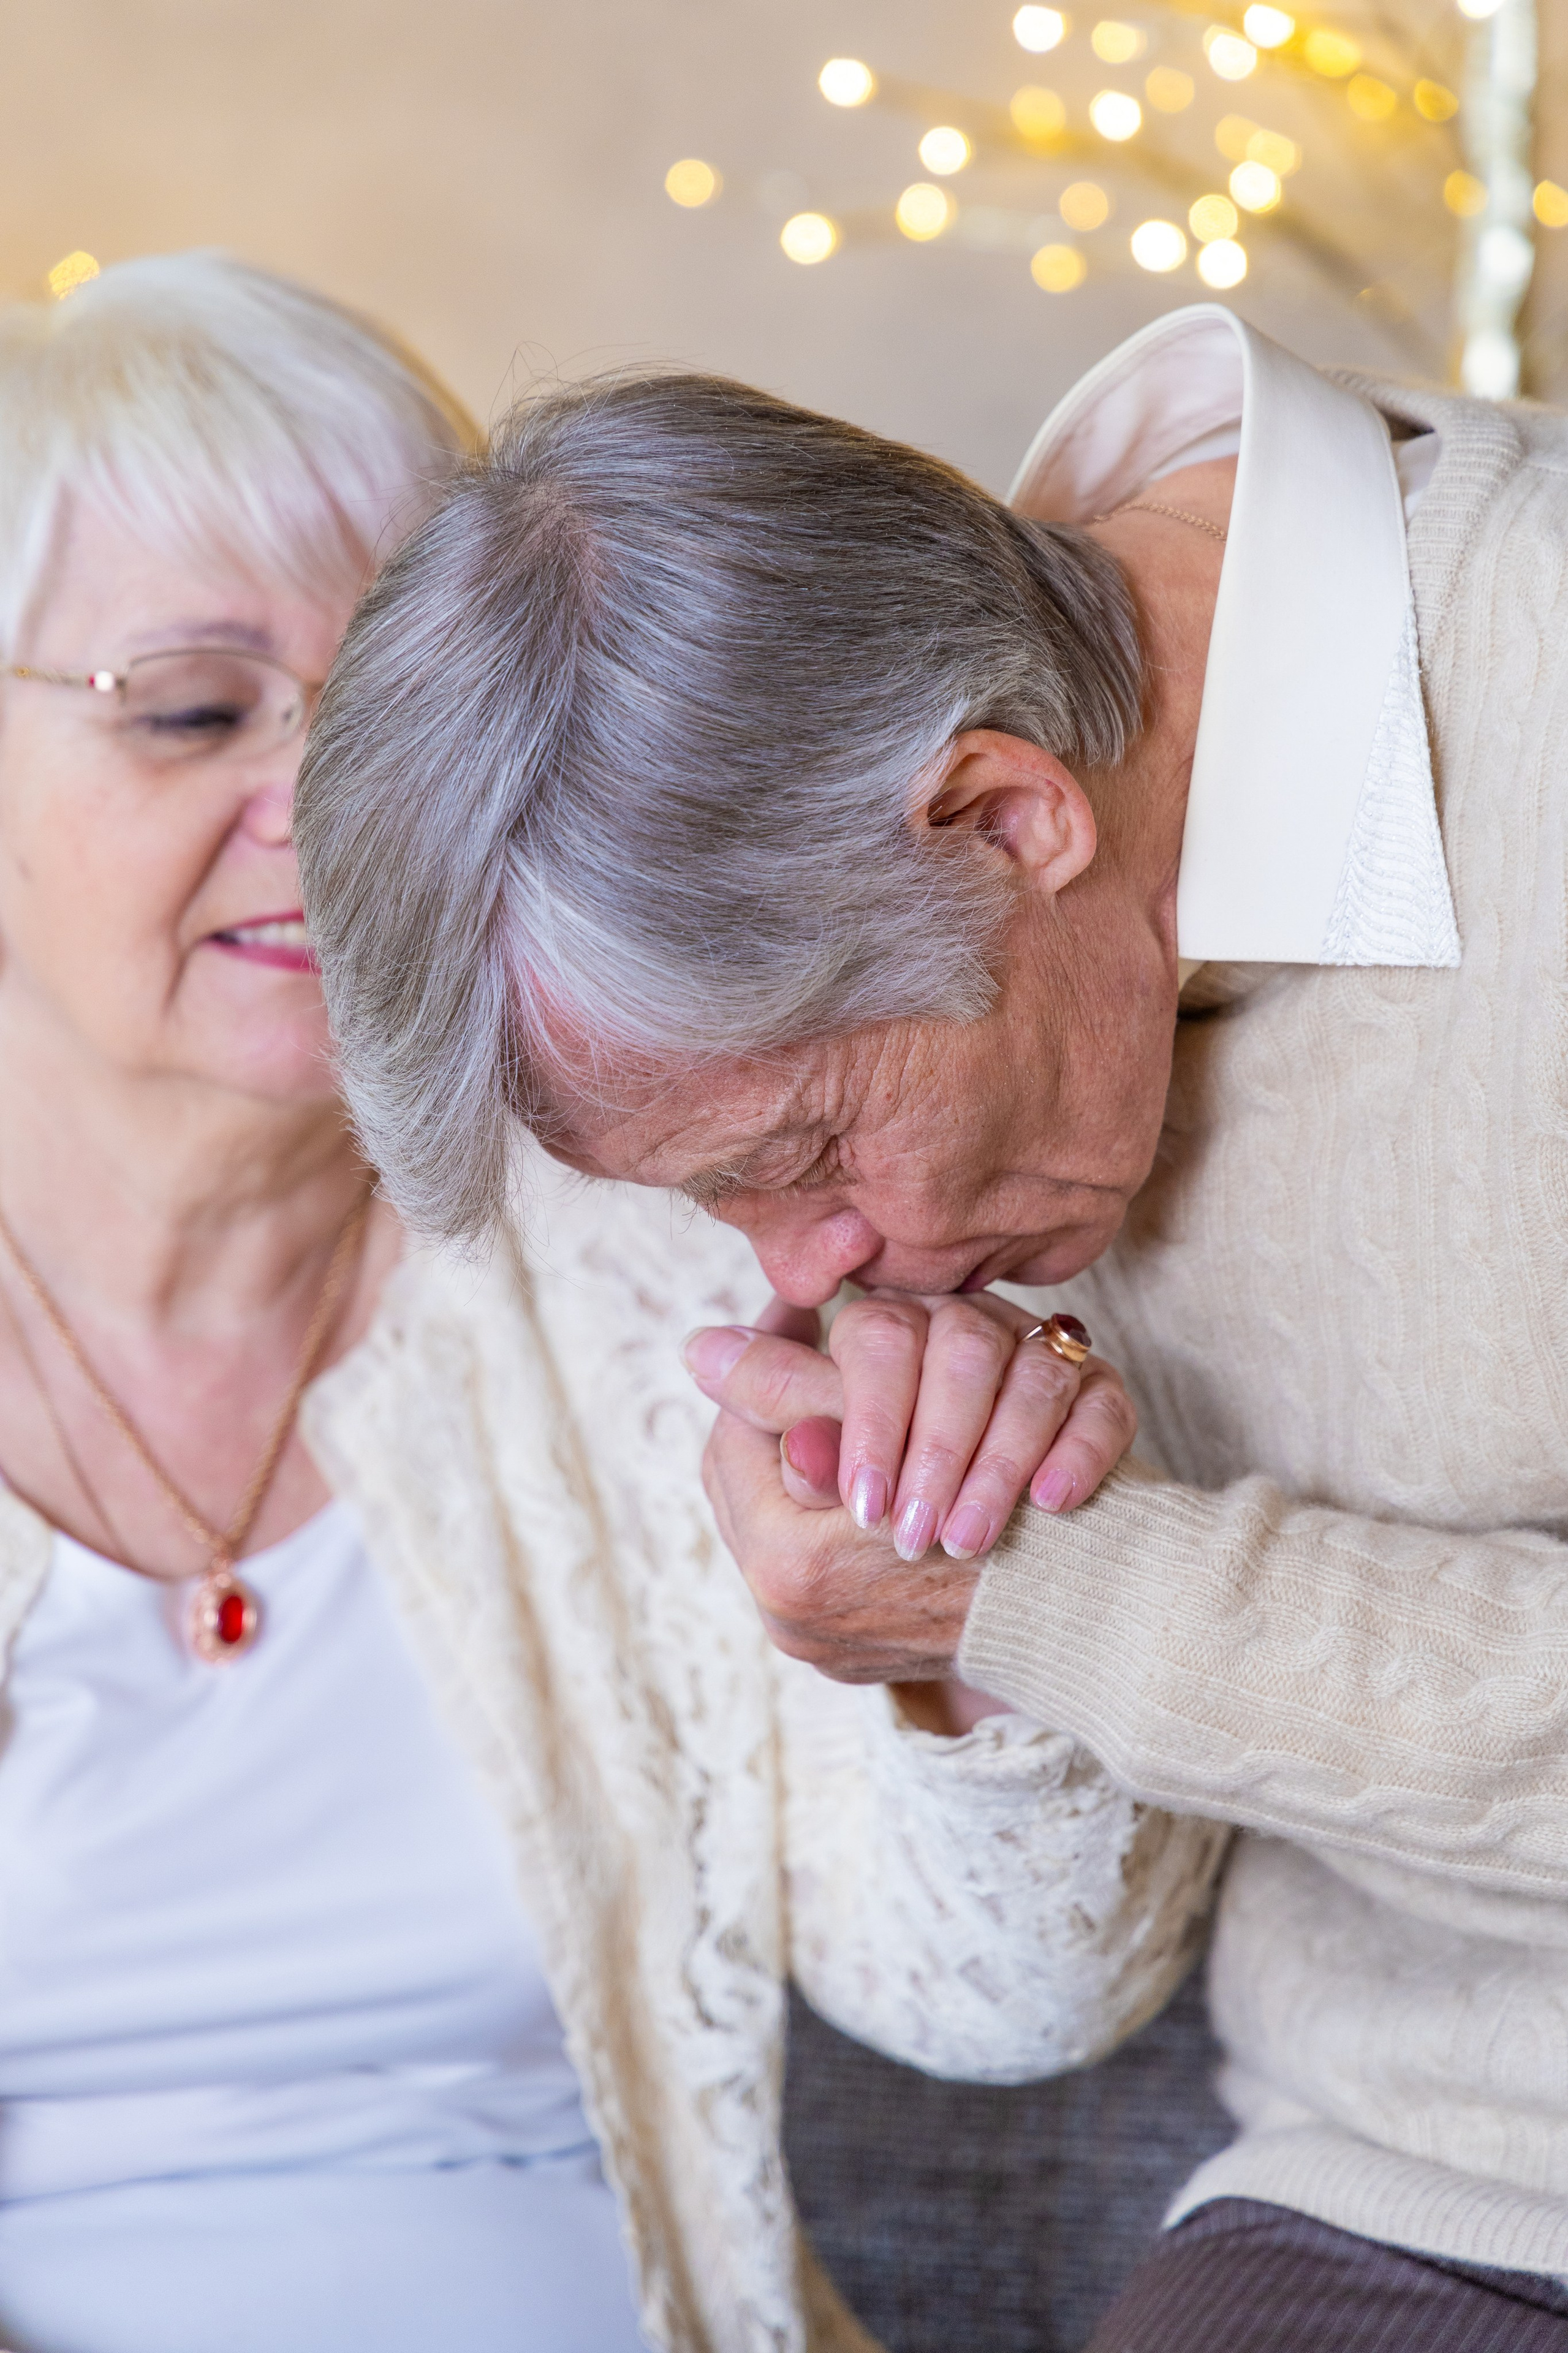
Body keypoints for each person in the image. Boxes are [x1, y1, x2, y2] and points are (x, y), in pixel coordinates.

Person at [298, 301, 1568, 2351]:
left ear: (1003, 818)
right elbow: (1052, 1984)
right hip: (1400, 2188)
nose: (806, 1270)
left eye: (802, 1146)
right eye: (720, 1197)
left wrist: (1059, 1595)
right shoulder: (1014, 987)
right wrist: (959, 1615)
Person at [0, 248, 1195, 2353]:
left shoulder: (685, 1258)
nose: (315, 812)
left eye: (386, 720)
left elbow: (1020, 2004)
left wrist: (966, 1623)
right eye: (190, 708)